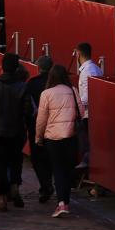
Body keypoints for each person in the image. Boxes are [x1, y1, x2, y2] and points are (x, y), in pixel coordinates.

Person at [0, 53, 34, 211]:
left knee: (0, 164)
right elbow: (28, 110)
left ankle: (2, 196)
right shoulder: (22, 86)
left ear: (1, 66)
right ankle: (15, 186)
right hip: (17, 130)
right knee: (16, 161)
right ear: (16, 68)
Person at [35, 64, 80, 218]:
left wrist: (38, 137)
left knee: (58, 169)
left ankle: (62, 203)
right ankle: (65, 201)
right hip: (71, 136)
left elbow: (41, 119)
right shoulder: (73, 91)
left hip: (53, 137)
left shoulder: (46, 94)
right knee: (67, 170)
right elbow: (80, 111)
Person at [24, 55, 55, 204]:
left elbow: (28, 106)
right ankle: (50, 184)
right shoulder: (57, 83)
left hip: (36, 125)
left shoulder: (32, 83)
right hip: (55, 126)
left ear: (38, 67)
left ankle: (45, 185)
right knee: (52, 157)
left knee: (37, 158)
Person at [75, 41, 102, 169]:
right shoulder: (95, 68)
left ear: (78, 53)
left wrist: (76, 103)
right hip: (91, 112)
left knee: (87, 143)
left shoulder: (88, 71)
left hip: (88, 114)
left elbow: (89, 95)